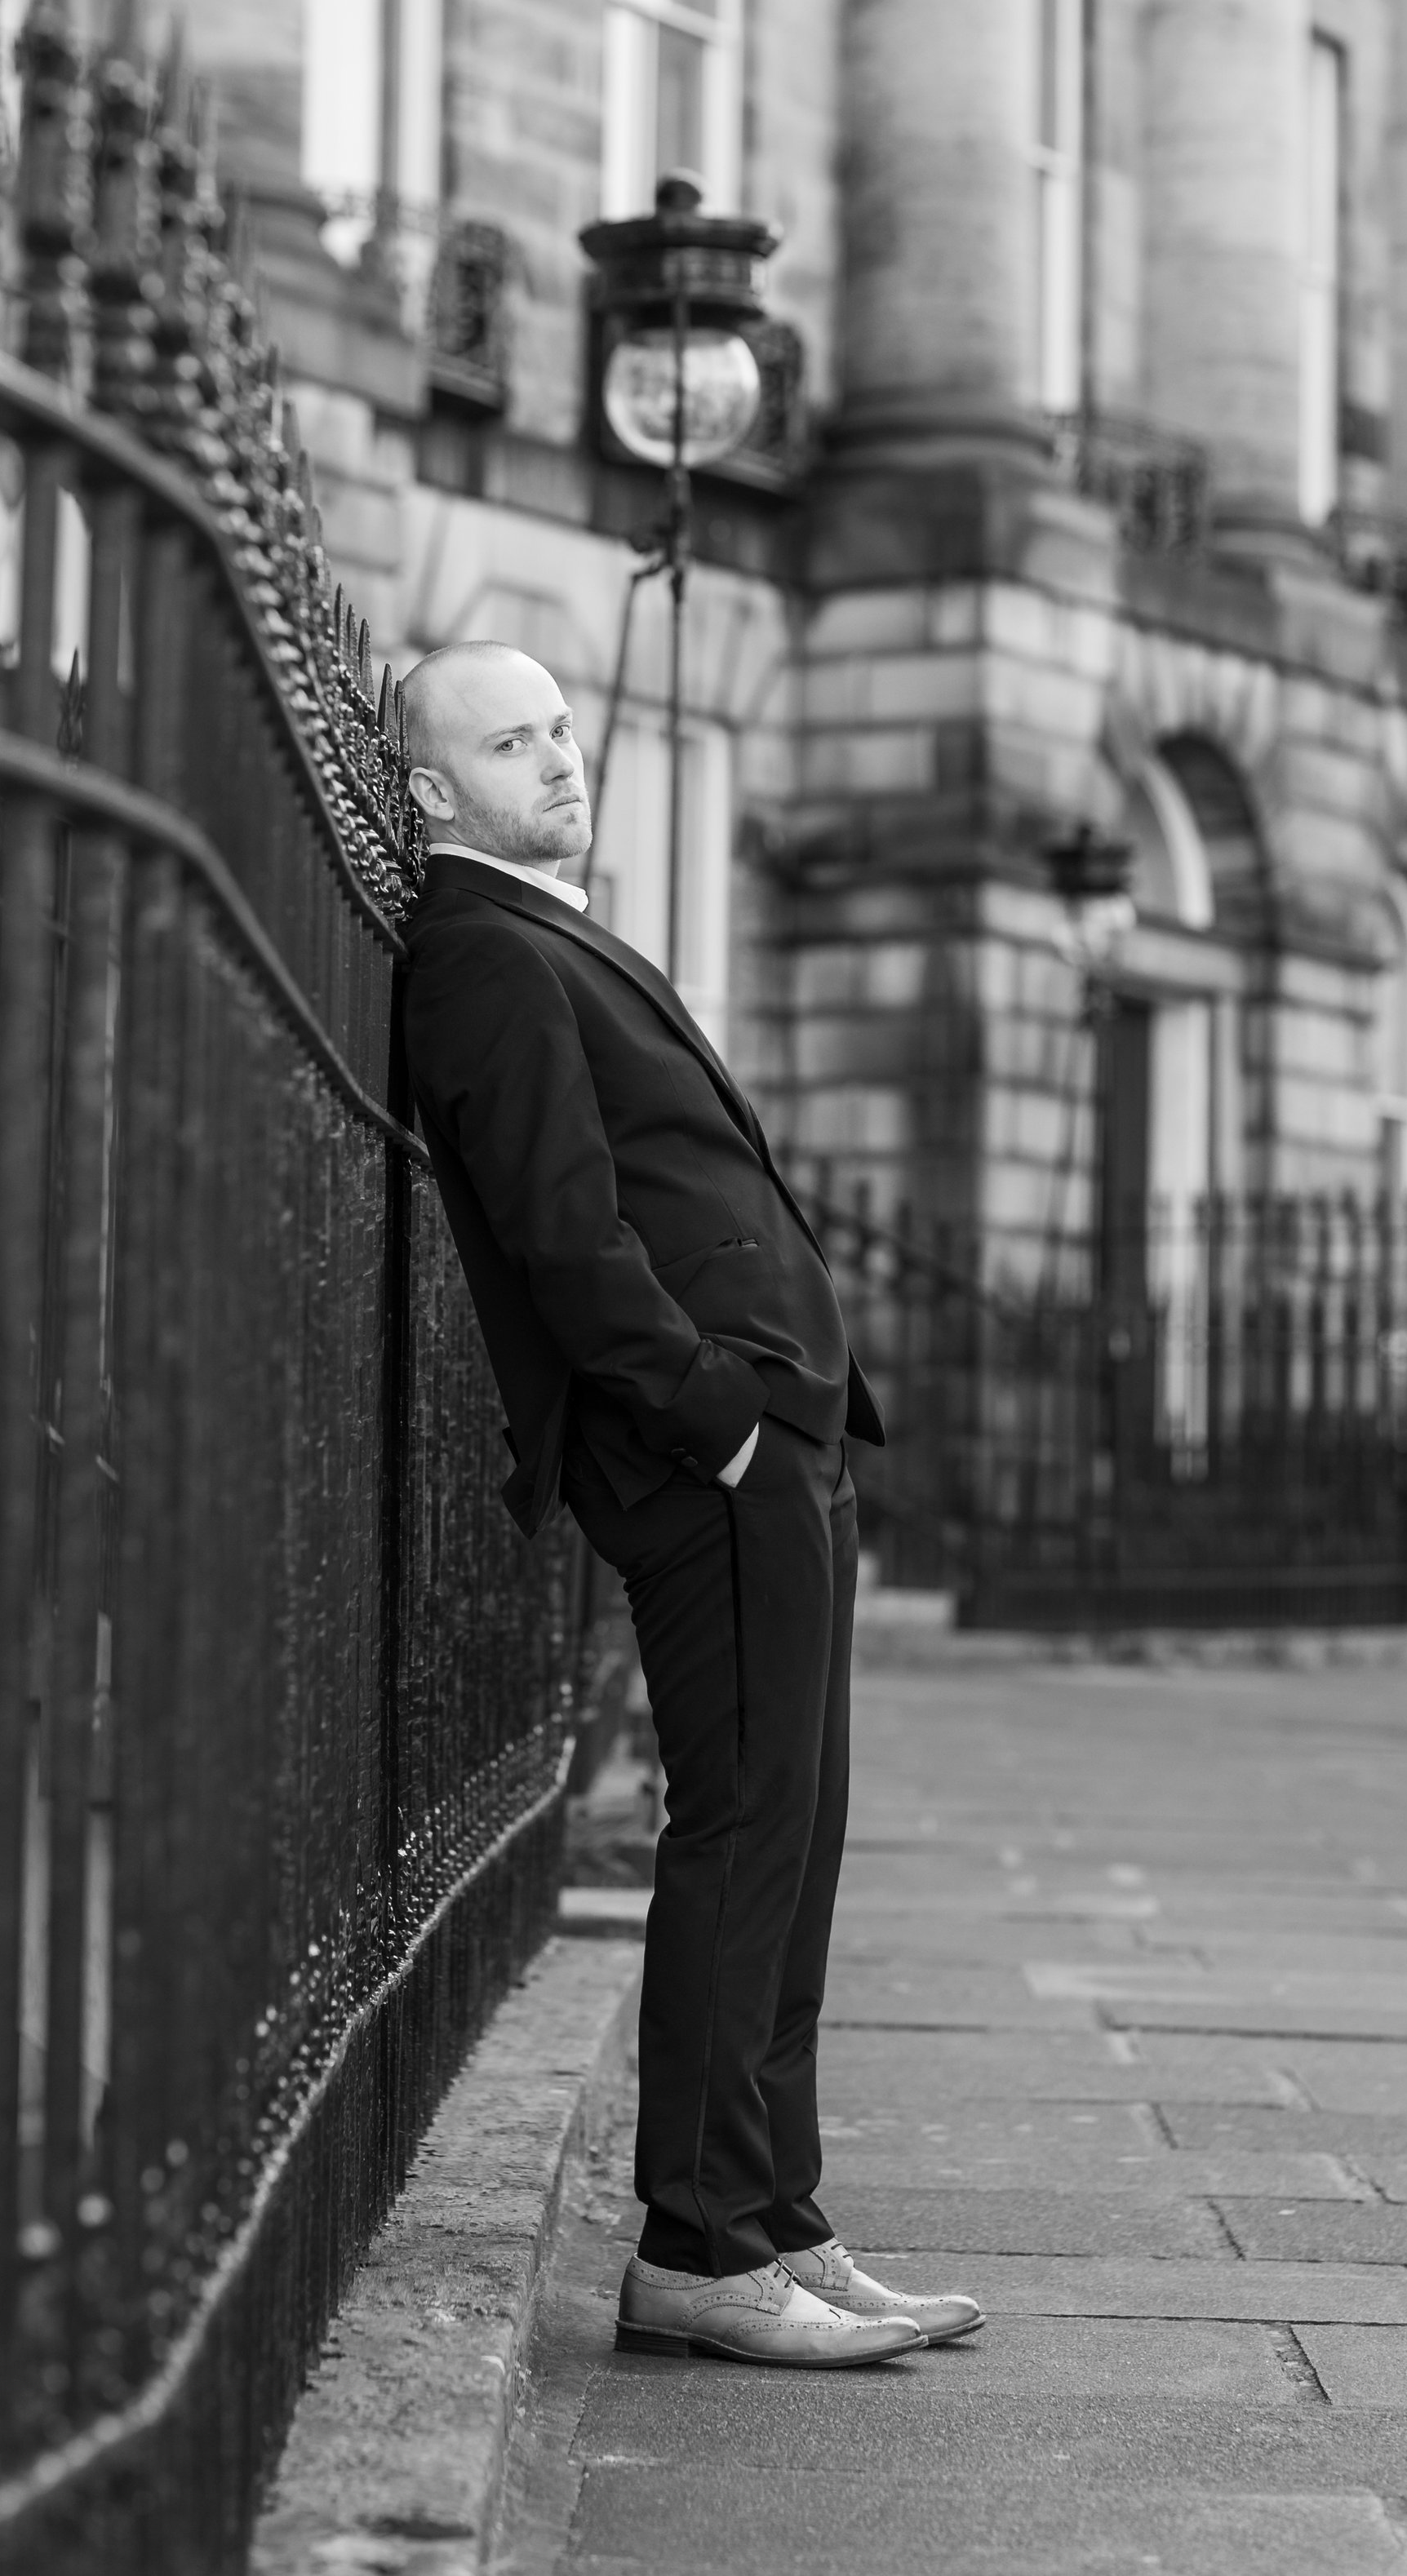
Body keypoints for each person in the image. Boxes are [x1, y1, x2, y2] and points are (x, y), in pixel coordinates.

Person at [397, 639, 981, 2370]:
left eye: (563, 729)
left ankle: (779, 2220)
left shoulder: (541, 923)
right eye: (512, 741)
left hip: (777, 1442)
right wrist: (712, 1417)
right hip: (705, 1455)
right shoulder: (479, 949)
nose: (561, 760)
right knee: (737, 1832)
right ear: (432, 792)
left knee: (790, 1838)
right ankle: (702, 2243)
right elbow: (563, 1227)